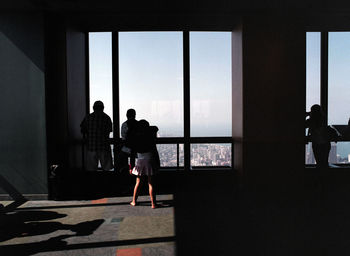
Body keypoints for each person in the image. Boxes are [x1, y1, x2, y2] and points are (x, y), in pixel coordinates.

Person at [130, 120, 160, 209]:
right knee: (151, 183)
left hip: (140, 160)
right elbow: (155, 151)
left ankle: (134, 201)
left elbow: (132, 154)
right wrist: (157, 162)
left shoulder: (136, 138)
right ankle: (153, 203)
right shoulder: (150, 137)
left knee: (138, 182)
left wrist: (131, 167)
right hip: (150, 159)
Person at [80, 101, 113, 171]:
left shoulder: (87, 117)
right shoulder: (107, 118)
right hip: (104, 146)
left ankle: (93, 181)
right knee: (106, 169)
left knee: (91, 169)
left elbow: (82, 130)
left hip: (91, 146)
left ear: (93, 108)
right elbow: (108, 131)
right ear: (103, 108)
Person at [305, 104, 330, 168]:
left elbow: (303, 125)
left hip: (316, 143)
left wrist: (307, 115)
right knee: (324, 163)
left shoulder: (311, 121)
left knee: (319, 162)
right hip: (326, 143)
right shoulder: (323, 118)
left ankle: (320, 176)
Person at [116, 109, 138, 173]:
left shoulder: (125, 124)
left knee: (121, 154)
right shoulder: (138, 124)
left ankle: (125, 169)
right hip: (137, 148)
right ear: (134, 115)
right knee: (132, 158)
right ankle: (132, 170)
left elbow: (124, 138)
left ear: (126, 115)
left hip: (127, 148)